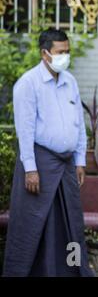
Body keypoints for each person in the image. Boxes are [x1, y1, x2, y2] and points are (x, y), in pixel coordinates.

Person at [3, 28, 92, 276]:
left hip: (66, 166)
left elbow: (79, 124)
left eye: (67, 51)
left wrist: (80, 160)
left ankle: (72, 271)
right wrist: (30, 169)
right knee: (31, 225)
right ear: (45, 54)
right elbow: (25, 130)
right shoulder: (28, 84)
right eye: (60, 52)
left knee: (70, 222)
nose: (65, 56)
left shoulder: (70, 81)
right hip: (39, 164)